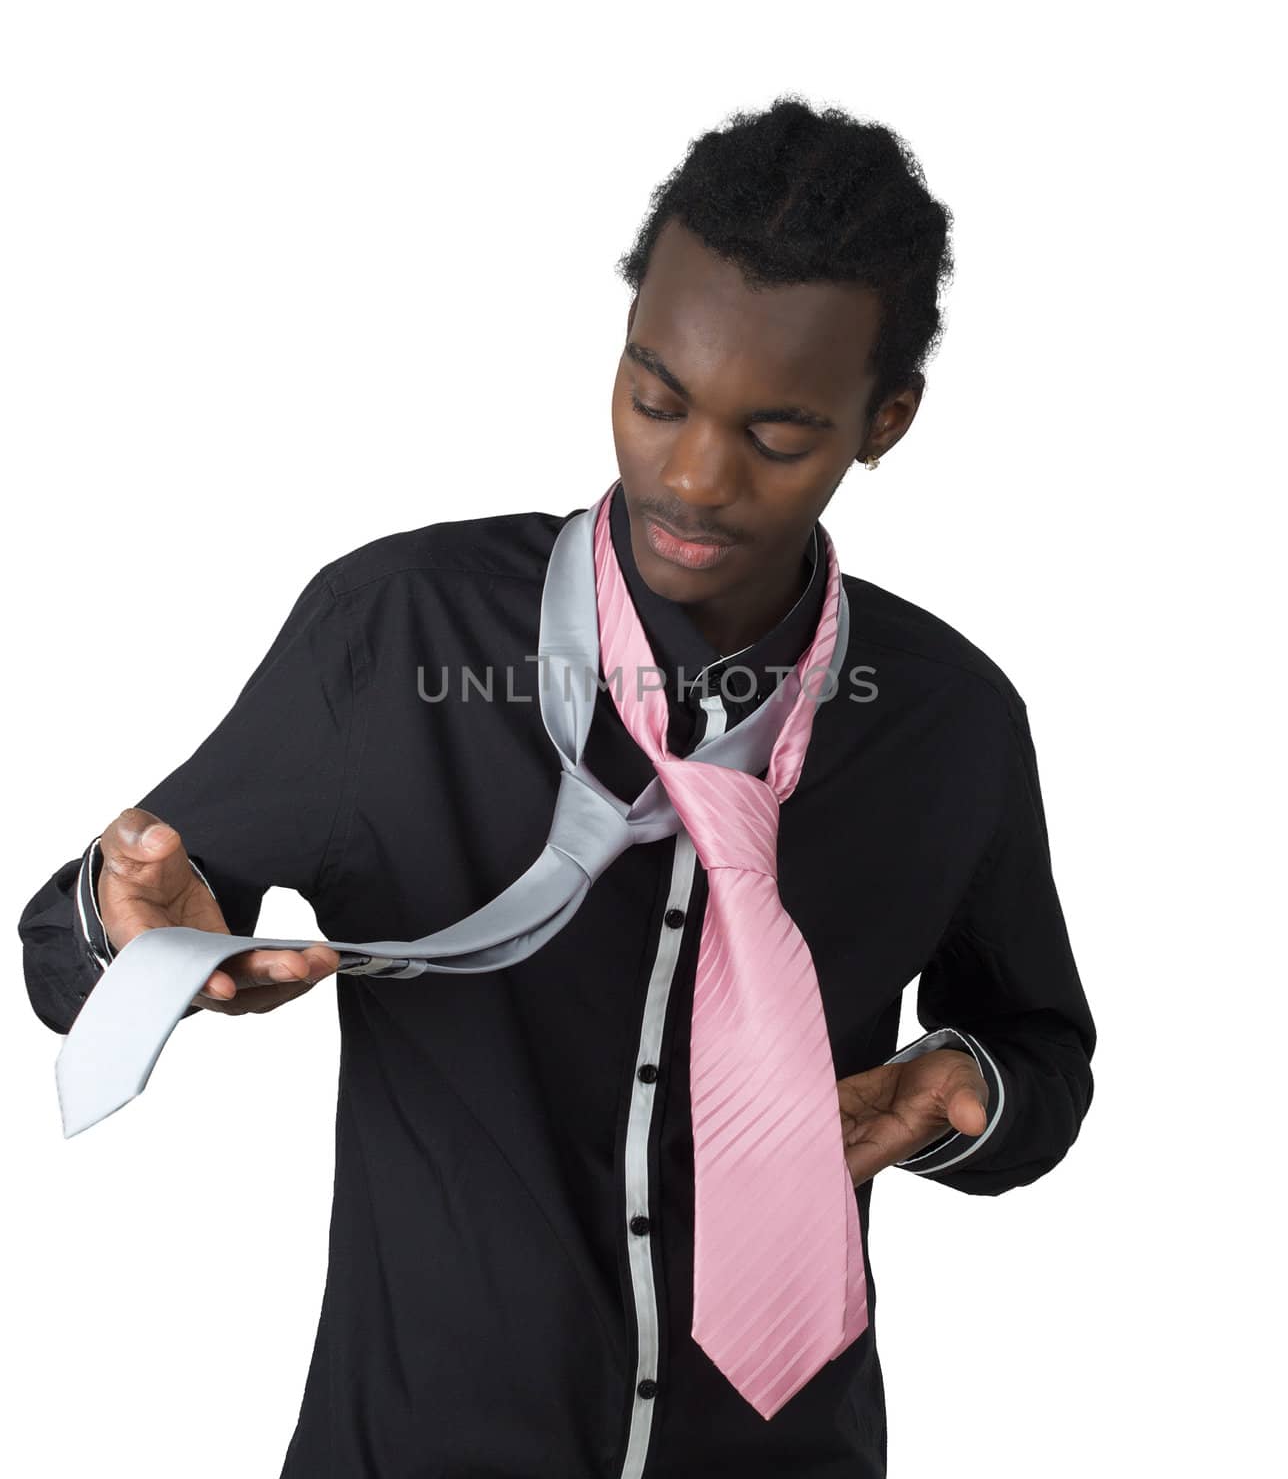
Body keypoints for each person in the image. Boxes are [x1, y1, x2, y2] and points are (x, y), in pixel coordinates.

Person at [19, 95, 1096, 1478]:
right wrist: (142, 921)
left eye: (775, 436)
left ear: (884, 421)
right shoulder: (397, 633)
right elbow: (71, 961)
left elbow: (1040, 1050)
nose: (691, 478)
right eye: (656, 397)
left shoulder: (950, 725)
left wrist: (966, 1089)